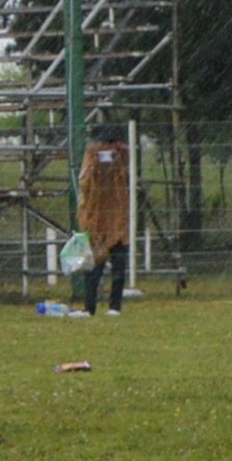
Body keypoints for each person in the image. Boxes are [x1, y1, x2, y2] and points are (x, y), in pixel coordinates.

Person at [79, 123, 130, 317]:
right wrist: (95, 166)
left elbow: (125, 178)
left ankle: (114, 307)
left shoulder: (122, 156)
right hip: (96, 219)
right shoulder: (90, 156)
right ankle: (88, 307)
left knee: (119, 264)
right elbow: (85, 184)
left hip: (117, 217)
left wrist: (117, 160)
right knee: (93, 266)